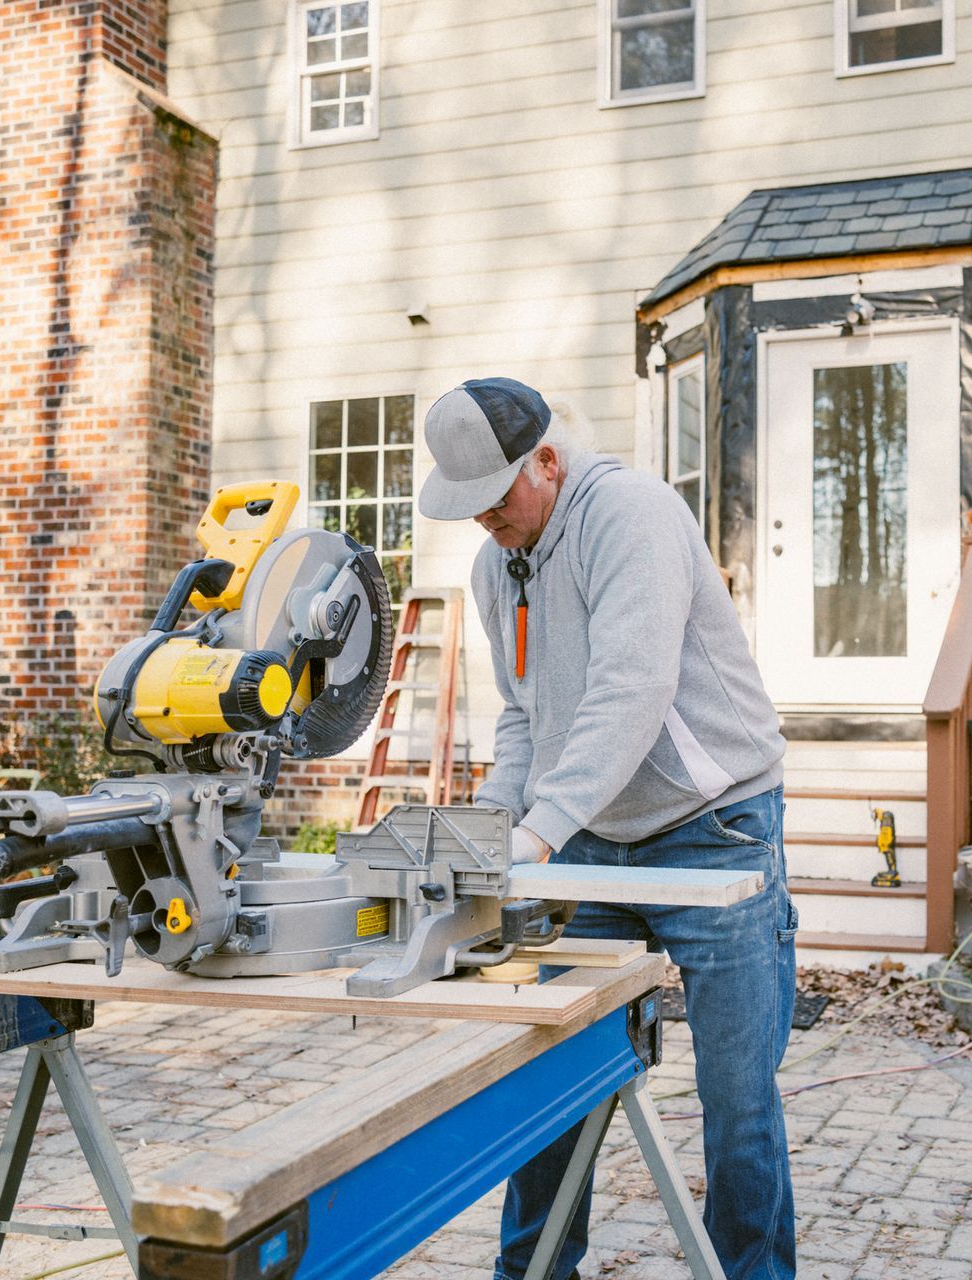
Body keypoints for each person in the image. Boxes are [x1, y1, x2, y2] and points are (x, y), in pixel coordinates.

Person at [414, 377, 796, 1280]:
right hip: (587, 838)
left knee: (736, 1100)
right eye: (468, 509)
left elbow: (632, 691)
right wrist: (496, 829)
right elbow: (522, 718)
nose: (485, 522)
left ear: (546, 461)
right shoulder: (495, 561)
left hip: (715, 827)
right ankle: (534, 1273)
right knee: (555, 1079)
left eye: (496, 500)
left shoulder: (632, 515)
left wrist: (538, 835)